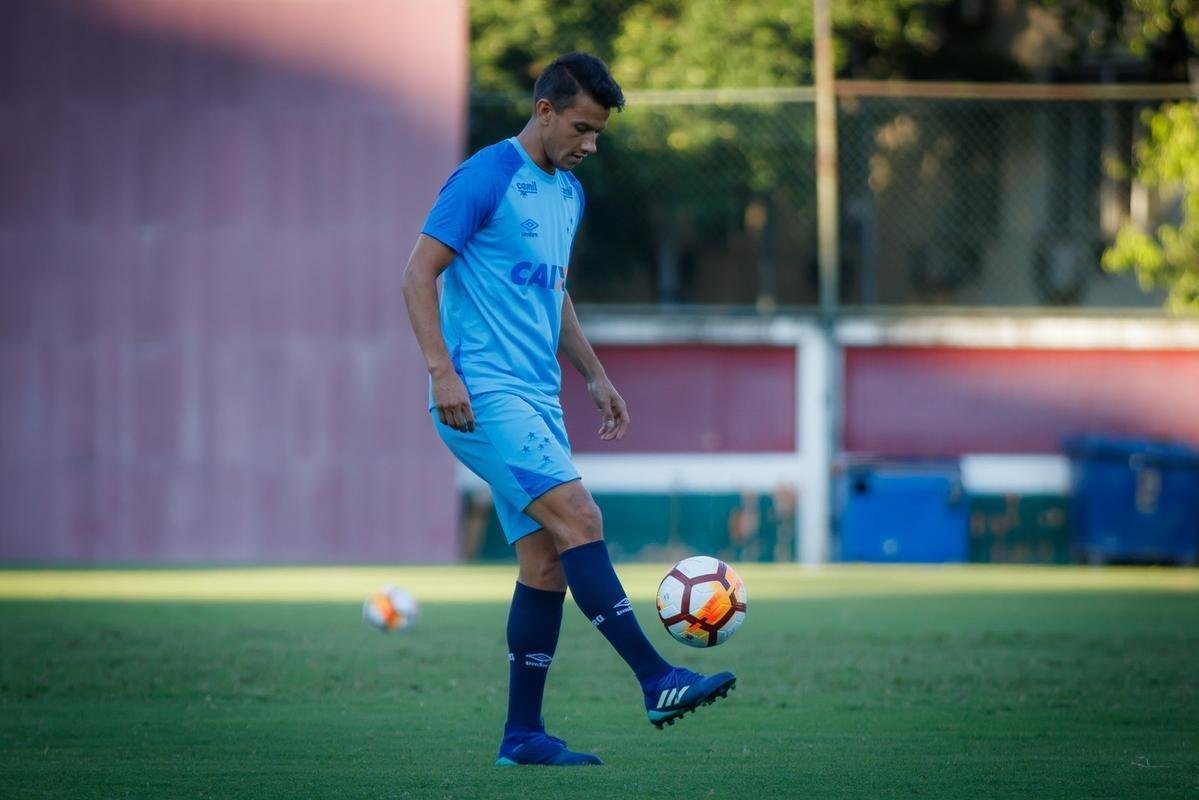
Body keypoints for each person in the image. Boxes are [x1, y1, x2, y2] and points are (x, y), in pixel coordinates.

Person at [401, 52, 736, 767]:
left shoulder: (569, 195)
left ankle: (522, 736)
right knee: (581, 518)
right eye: (582, 128)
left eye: (599, 134)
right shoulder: (484, 177)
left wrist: (595, 374)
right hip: (482, 394)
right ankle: (657, 680)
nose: (590, 144)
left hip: (536, 397)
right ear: (545, 110)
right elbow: (417, 274)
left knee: (546, 565)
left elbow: (552, 293)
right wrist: (441, 372)